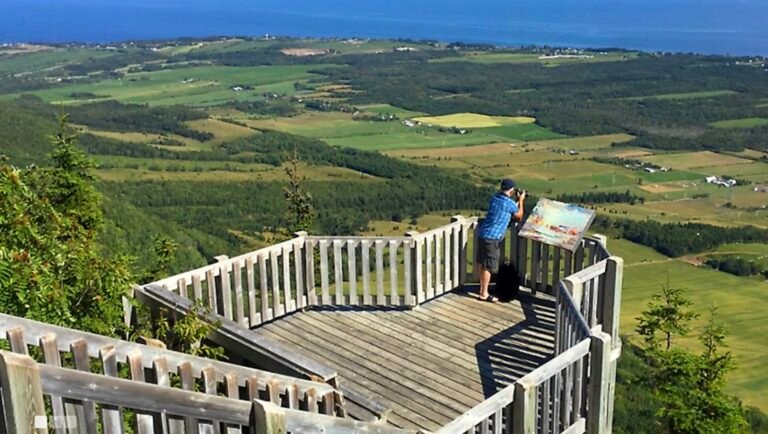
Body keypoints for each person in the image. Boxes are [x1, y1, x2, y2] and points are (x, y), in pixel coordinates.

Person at [476, 178, 525, 302]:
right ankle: (484, 294)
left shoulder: (495, 198)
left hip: (483, 234)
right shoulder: (509, 203)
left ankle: (482, 290)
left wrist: (516, 202)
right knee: (488, 266)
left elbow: (509, 209)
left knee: (483, 264)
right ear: (511, 191)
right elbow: (519, 216)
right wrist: (521, 200)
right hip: (492, 238)